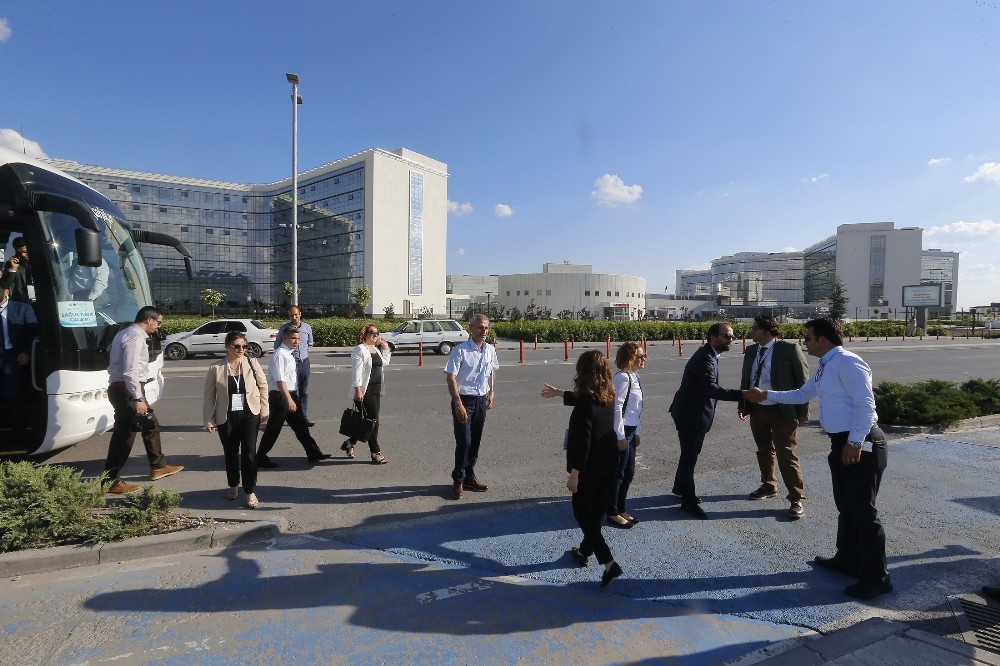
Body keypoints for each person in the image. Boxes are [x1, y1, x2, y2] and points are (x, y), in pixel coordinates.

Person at [744, 317, 892, 600]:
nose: (805, 342)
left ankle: (878, 578)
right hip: (842, 443)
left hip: (860, 443)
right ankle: (847, 559)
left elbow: (866, 406)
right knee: (846, 507)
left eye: (808, 338)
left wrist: (854, 442)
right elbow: (802, 393)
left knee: (863, 512)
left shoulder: (848, 362)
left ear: (822, 339)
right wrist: (766, 395)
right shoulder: (826, 364)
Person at [558, 350, 624, 587]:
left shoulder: (586, 401)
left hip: (590, 467)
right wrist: (561, 394)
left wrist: (574, 473)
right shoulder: (608, 395)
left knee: (581, 512)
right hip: (610, 462)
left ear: (583, 372)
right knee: (596, 513)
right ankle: (583, 552)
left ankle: (608, 562)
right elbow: (584, 400)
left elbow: (581, 441)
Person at [103, 306, 183, 494]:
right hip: (127, 390)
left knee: (150, 425)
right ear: (149, 319)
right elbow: (130, 371)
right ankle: (110, 480)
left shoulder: (126, 333)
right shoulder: (134, 337)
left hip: (126, 389)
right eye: (159, 322)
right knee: (124, 436)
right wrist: (138, 397)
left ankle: (158, 466)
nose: (159, 326)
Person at [737, 315, 810, 518]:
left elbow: (802, 380)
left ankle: (796, 498)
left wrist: (802, 411)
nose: (752, 332)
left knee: (786, 453)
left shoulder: (788, 349)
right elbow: (746, 378)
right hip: (757, 409)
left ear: (767, 331)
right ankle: (769, 485)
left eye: (755, 329)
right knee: (763, 449)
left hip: (782, 409)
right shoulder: (752, 351)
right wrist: (742, 405)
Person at [668, 322, 742, 519]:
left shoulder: (709, 354)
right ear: (713, 338)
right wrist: (745, 395)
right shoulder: (705, 358)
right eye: (726, 336)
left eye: (732, 336)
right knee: (689, 456)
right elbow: (712, 390)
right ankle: (688, 501)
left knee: (690, 453)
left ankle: (679, 487)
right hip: (690, 415)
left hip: (691, 413)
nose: (730, 340)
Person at [204, 331, 269, 509]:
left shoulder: (252, 363)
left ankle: (250, 491)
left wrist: (265, 409)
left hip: (250, 414)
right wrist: (208, 420)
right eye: (237, 346)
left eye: (244, 346)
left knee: (249, 453)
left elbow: (263, 386)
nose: (241, 349)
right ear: (227, 347)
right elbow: (209, 397)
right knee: (231, 452)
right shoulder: (216, 368)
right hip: (227, 416)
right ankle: (233, 484)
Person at [256, 326, 331, 467]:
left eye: (298, 339)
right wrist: (289, 399)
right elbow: (280, 380)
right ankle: (260, 457)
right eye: (293, 338)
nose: (296, 341)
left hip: (291, 394)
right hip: (281, 396)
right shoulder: (280, 355)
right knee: (274, 428)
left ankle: (313, 452)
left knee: (301, 426)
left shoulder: (288, 353)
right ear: (285, 339)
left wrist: (292, 397)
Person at [445, 314, 498, 499]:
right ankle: (458, 480)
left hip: (481, 400)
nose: (484, 331)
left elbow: (491, 371)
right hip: (464, 400)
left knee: (475, 441)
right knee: (464, 442)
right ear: (471, 328)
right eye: (480, 328)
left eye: (486, 328)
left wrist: (491, 393)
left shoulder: (490, 350)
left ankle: (470, 476)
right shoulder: (460, 351)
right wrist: (458, 403)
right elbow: (450, 377)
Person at [608, 342, 645, 528]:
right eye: (640, 356)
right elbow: (617, 408)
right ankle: (612, 512)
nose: (643, 359)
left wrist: (636, 432)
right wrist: (620, 436)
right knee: (618, 474)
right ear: (630, 357)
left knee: (628, 472)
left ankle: (621, 508)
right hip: (621, 433)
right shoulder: (622, 378)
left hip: (631, 431)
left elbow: (635, 409)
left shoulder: (635, 377)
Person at [342, 322, 391, 464]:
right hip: (365, 390)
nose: (375, 336)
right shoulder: (360, 349)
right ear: (365, 334)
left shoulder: (375, 349)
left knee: (367, 421)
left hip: (376, 389)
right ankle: (375, 452)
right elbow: (356, 372)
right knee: (373, 421)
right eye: (372, 333)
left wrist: (385, 347)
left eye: (377, 333)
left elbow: (385, 363)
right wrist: (358, 390)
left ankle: (350, 443)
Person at [0, 275, 37, 412]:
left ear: (6, 291)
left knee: (11, 393)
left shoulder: (22, 308)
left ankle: (18, 426)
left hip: (13, 357)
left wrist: (26, 351)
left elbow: (33, 332)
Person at [275, 305, 315, 426]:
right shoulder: (284, 328)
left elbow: (310, 343)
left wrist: (302, 352)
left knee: (303, 391)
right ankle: (288, 417)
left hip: (303, 363)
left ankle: (303, 417)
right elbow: (277, 345)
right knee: (290, 391)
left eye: (295, 314)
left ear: (300, 314)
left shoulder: (307, 328)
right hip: (290, 364)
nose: (293, 317)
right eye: (291, 315)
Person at [2, 237, 34, 303]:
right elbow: (5, 285)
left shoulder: (40, 262)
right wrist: (13, 269)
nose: (24, 254)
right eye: (23, 252)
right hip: (21, 303)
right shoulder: (11, 264)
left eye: (27, 251)